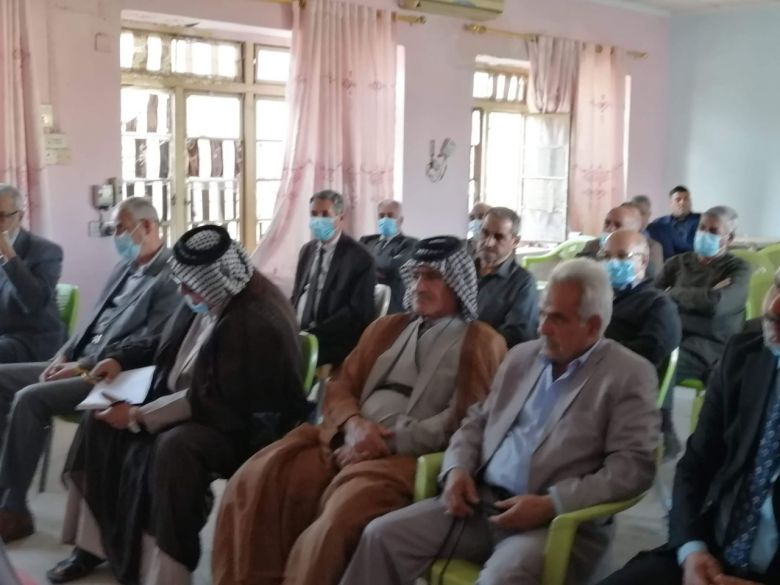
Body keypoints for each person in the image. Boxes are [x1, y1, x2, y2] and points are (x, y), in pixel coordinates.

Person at [341, 258, 660, 585]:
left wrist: (552, 503)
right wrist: (457, 469)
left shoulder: (628, 375)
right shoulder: (522, 357)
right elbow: (477, 422)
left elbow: (632, 468)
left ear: (592, 326)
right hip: (480, 504)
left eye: (557, 319)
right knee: (381, 535)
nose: (542, 328)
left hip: (553, 525)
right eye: (542, 314)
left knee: (501, 578)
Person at [212, 236, 507, 585]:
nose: (419, 286)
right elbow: (340, 385)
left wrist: (385, 441)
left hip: (403, 461)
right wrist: (352, 426)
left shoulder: (481, 342)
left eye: (432, 277)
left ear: (457, 282)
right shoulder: (386, 328)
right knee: (260, 478)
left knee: (335, 524)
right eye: (416, 276)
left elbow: (465, 420)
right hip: (345, 442)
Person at [47, 224, 311, 585]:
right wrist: (117, 359)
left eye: (190, 285)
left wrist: (137, 416)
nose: (183, 292)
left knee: (174, 447)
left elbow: (212, 399)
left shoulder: (253, 320)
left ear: (215, 279)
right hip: (194, 403)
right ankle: (91, 545)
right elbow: (163, 342)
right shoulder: (208, 297)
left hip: (241, 426)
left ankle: (167, 572)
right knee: (98, 421)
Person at [0, 197, 180, 543]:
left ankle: (14, 509)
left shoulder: (169, 277)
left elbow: (150, 343)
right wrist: (63, 355)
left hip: (116, 374)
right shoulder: (124, 268)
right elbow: (90, 325)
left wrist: (82, 365)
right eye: (113, 229)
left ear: (147, 226)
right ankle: (5, 486)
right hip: (80, 362)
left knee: (30, 398)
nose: (116, 236)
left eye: (120, 228)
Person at [596, 268, 780, 585]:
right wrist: (692, 550)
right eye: (777, 286)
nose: (774, 307)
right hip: (707, 555)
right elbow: (696, 464)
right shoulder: (746, 356)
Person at [656, 205, 750, 459]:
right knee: (641, 358)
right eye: (702, 228)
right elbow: (655, 299)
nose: (704, 234)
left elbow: (717, 305)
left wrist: (674, 294)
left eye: (713, 231)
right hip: (674, 337)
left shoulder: (738, 269)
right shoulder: (677, 263)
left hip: (713, 346)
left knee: (665, 358)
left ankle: (666, 431)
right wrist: (702, 298)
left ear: (729, 238)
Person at [292, 190, 376, 366]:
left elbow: (358, 314)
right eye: (314, 214)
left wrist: (312, 334)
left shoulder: (360, 258)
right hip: (299, 332)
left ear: (340, 217)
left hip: (333, 339)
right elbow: (297, 296)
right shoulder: (307, 251)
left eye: (325, 214)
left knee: (283, 359)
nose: (318, 220)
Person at [600, 229, 681, 375]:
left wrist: (594, 351)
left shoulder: (658, 305)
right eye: (606, 256)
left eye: (622, 256)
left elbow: (647, 354)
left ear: (643, 261)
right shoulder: (597, 296)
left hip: (620, 379)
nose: (612, 263)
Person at [0, 184, 65, 363]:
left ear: (19, 216)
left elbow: (34, 302)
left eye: (1, 216)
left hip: (32, 339)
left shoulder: (46, 251)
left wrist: (8, 253)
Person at [476, 207, 539, 348]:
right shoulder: (463, 271)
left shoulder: (523, 283)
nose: (488, 242)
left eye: (498, 237)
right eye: (485, 233)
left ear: (515, 241)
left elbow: (518, 337)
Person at [359, 200, 418, 314]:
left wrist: (365, 265)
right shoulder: (366, 241)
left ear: (400, 220)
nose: (385, 219)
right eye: (381, 216)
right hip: (362, 302)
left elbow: (393, 266)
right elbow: (352, 264)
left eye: (390, 216)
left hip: (392, 307)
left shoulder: (410, 244)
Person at [579, 204, 664, 277]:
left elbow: (652, 278)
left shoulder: (651, 247)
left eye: (617, 225)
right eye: (607, 223)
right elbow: (577, 271)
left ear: (633, 230)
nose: (610, 229)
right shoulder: (593, 245)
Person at [647, 186, 702, 260]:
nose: (682, 202)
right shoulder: (658, 224)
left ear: (690, 201)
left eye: (686, 199)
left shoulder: (702, 220)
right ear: (671, 203)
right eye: (678, 200)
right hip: (666, 263)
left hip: (695, 262)